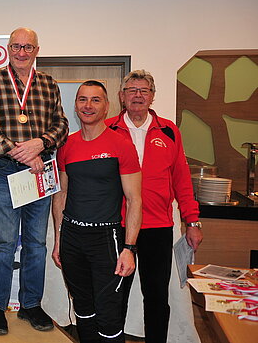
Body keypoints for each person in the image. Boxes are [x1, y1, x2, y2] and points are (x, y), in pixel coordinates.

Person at [0, 27, 68, 335]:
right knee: (4, 242)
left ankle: (30, 305)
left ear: (37, 50)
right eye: (16, 46)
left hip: (39, 173)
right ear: (8, 48)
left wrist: (41, 143)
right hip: (5, 171)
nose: (22, 52)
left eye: (28, 47)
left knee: (36, 243)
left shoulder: (48, 84)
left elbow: (61, 125)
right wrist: (24, 154)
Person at [106, 70, 202, 343]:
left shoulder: (169, 131)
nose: (137, 95)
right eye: (132, 90)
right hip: (118, 226)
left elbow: (182, 179)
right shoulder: (108, 129)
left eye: (144, 90)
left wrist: (192, 221)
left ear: (152, 96)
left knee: (157, 296)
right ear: (122, 96)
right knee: (115, 295)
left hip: (157, 226)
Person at [52, 81, 142, 343]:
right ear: (75, 105)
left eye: (95, 100)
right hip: (72, 238)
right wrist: (58, 239)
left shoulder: (121, 144)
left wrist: (129, 248)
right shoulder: (67, 145)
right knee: (83, 308)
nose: (88, 106)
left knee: (108, 312)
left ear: (106, 107)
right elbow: (61, 195)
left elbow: (135, 200)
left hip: (106, 240)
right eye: (82, 99)